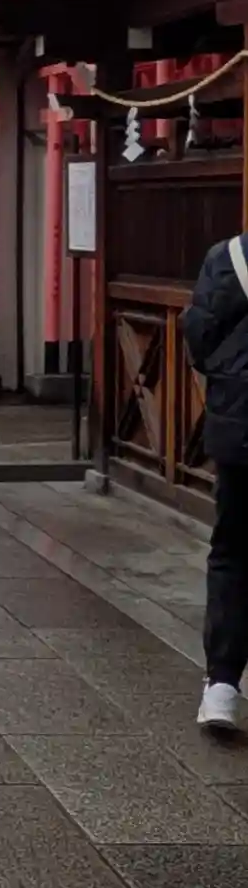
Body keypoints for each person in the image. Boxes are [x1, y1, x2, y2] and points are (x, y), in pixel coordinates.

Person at [182, 228, 248, 731]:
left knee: (233, 551)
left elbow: (200, 341)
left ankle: (222, 685)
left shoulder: (229, 257)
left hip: (240, 424)